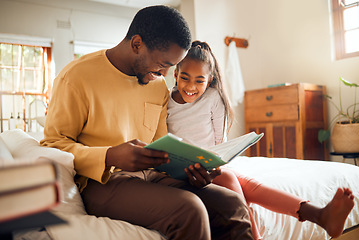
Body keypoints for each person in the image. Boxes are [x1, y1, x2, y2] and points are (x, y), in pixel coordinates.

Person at [41, 5, 254, 240]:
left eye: (171, 66)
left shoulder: (155, 84)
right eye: (163, 64)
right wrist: (110, 155)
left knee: (231, 204)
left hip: (153, 176)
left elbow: (162, 144)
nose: (165, 74)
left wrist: (190, 171)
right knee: (189, 209)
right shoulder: (76, 77)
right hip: (102, 182)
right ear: (137, 44)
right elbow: (54, 144)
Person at [167, 40, 355, 239]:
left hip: (210, 166)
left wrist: (215, 165)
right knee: (237, 182)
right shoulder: (166, 100)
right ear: (176, 74)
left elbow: (220, 144)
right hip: (183, 170)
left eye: (199, 81)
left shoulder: (214, 98)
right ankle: (315, 215)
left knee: (245, 185)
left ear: (209, 79)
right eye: (185, 78)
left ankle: (320, 215)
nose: (190, 86)